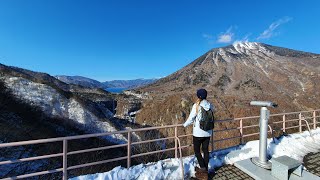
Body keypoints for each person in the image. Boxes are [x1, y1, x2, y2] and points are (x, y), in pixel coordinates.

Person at [183, 88, 215, 179]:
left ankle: (203, 169)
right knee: (205, 150)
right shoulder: (210, 105)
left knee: (197, 151)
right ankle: (205, 170)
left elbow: (191, 118)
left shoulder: (196, 105)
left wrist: (184, 125)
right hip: (208, 132)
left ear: (198, 96)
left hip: (198, 133)